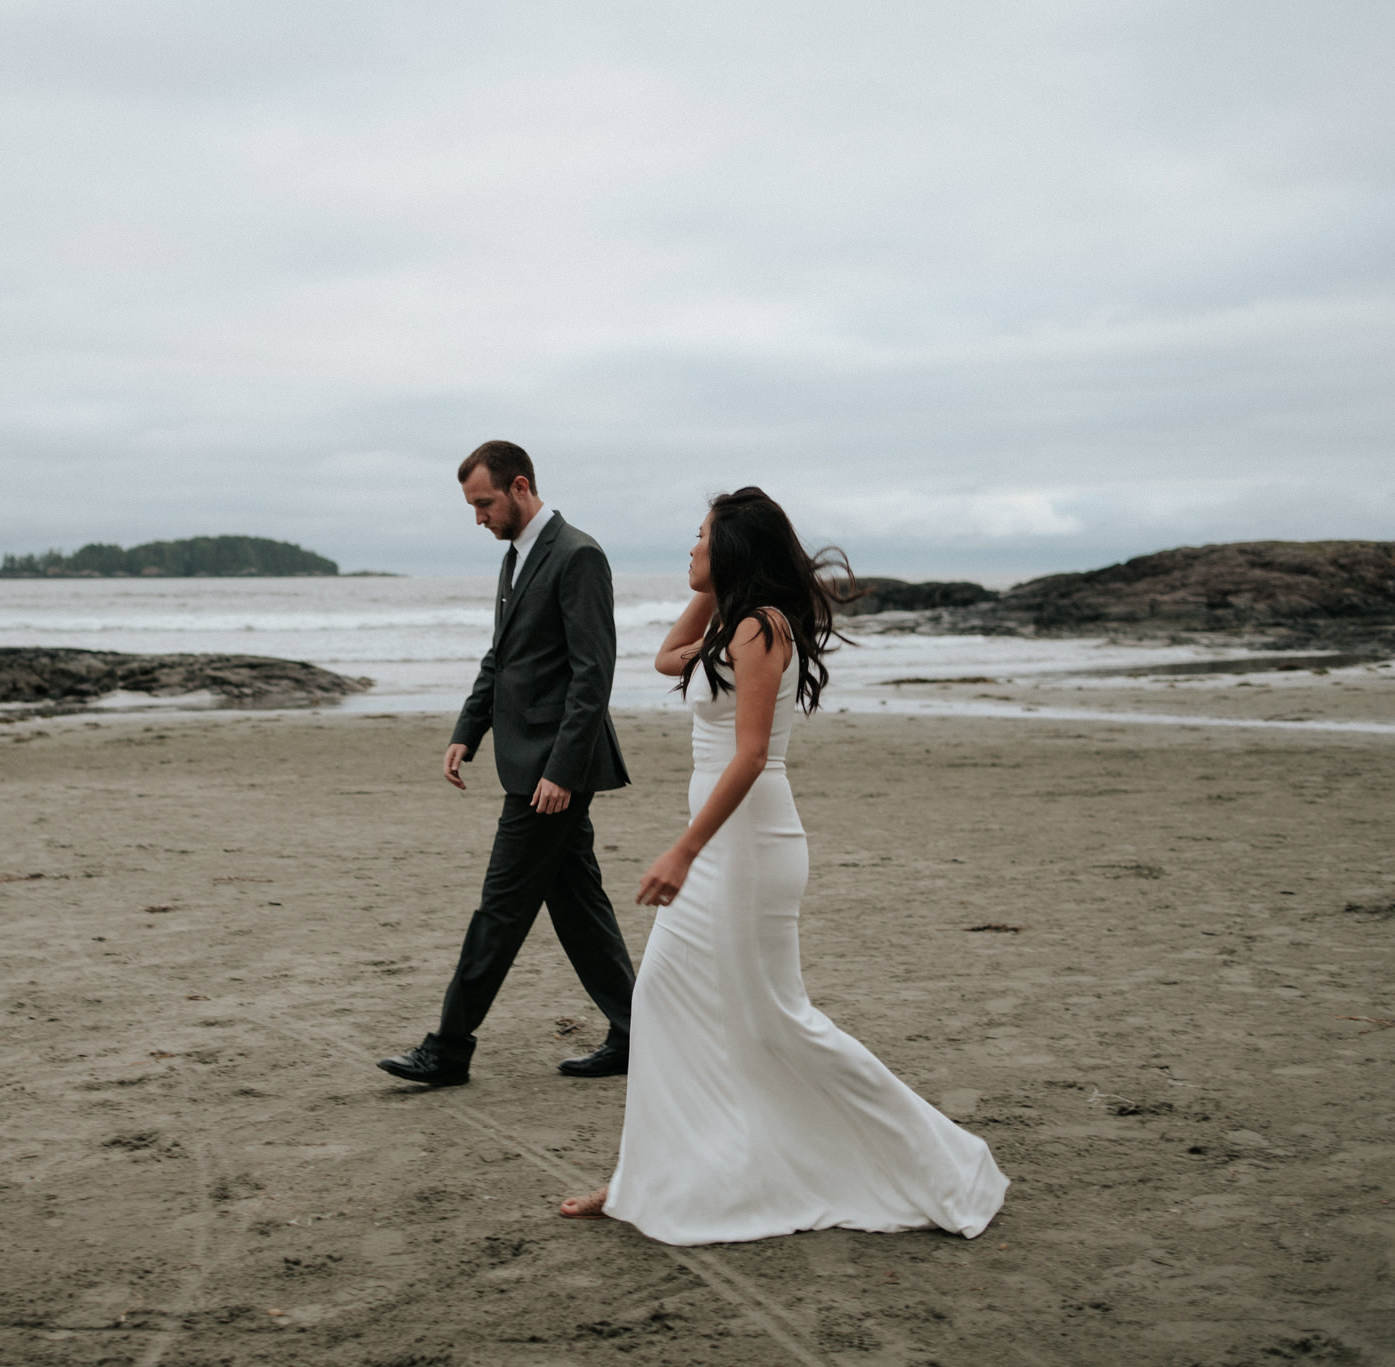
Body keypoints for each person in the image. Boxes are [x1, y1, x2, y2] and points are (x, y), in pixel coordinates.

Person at [558, 487, 1008, 1244]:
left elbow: (753, 755)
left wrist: (683, 850)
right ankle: (643, 1176)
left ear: (732, 549)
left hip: (746, 846)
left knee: (778, 1019)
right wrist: (710, 589)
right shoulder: (734, 623)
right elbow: (665, 656)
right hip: (721, 842)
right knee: (665, 1000)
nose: (690, 549)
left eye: (701, 538)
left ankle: (948, 1163)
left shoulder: (762, 629)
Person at [377, 441, 637, 1087]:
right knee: (579, 908)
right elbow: (503, 658)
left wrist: (562, 769)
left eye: (484, 503)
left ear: (520, 486)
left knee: (499, 910)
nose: (479, 519)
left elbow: (592, 674)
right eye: (472, 506)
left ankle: (449, 1047)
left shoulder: (578, 555)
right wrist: (469, 729)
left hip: (552, 775)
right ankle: (639, 1030)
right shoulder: (517, 557)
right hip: (528, 762)